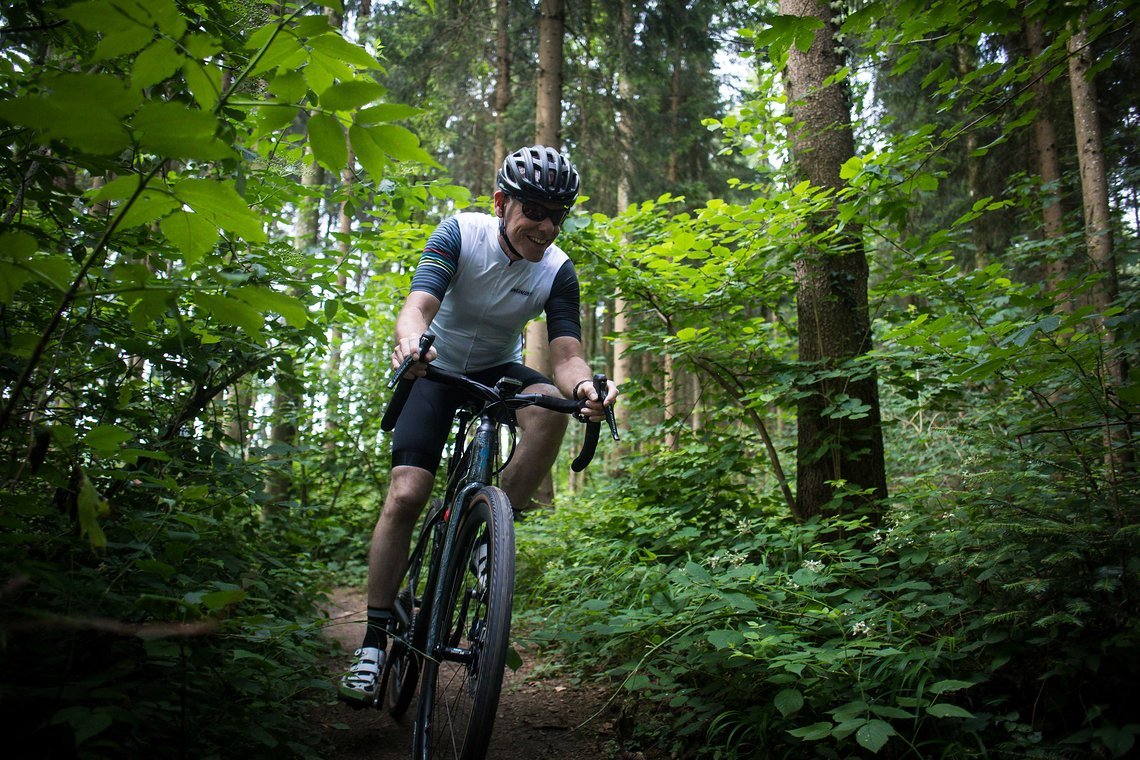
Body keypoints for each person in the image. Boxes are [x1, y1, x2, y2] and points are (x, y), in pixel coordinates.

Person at [339, 144, 618, 704]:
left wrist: (587, 387)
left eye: (556, 215)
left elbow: (566, 355)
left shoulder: (558, 270)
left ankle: (491, 525)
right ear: (501, 202)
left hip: (497, 369)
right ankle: (372, 641)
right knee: (407, 492)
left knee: (549, 410)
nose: (545, 226)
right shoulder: (460, 234)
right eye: (534, 210)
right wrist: (411, 344)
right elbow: (418, 305)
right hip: (435, 365)